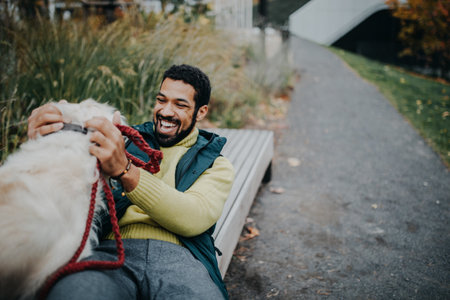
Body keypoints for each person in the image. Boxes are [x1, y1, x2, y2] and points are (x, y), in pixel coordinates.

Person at [27, 64, 235, 299]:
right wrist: (48, 138)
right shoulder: (121, 140)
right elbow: (67, 179)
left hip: (181, 258)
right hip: (111, 251)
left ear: (201, 112)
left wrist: (126, 171)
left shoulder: (216, 165)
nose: (166, 111)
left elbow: (193, 217)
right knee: (74, 293)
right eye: (161, 100)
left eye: (180, 105)